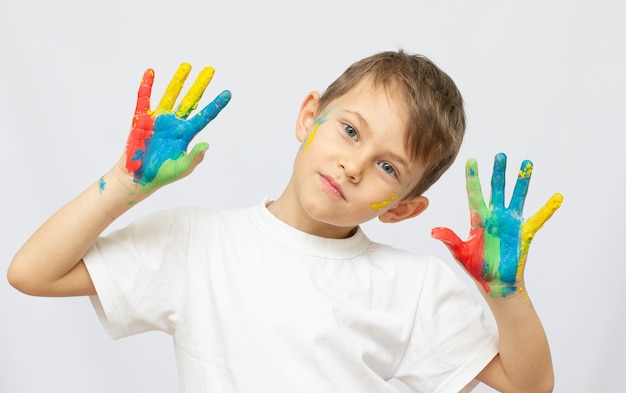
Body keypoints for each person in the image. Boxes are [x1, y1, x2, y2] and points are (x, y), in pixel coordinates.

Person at [8, 50, 561, 392]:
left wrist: (505, 292)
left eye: (387, 167)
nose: (353, 165)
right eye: (350, 130)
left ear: (403, 208)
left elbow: (528, 386)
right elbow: (33, 273)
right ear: (308, 116)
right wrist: (124, 183)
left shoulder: (413, 287)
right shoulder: (197, 241)